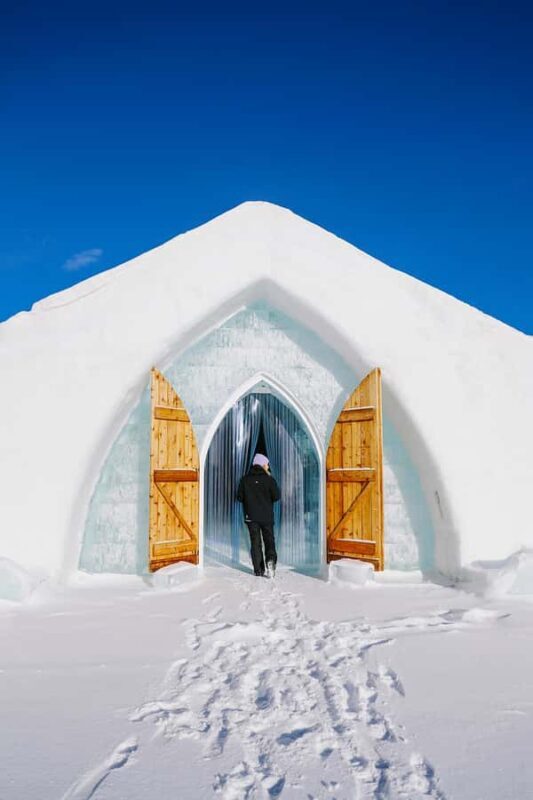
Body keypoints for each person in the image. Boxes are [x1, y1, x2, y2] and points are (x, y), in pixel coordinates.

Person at [236, 453, 280, 578]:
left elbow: (239, 497)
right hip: (267, 517)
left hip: (251, 517)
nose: (268, 466)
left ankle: (258, 570)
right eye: (266, 464)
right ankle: (270, 562)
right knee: (269, 540)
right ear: (262, 464)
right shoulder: (269, 479)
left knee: (255, 543)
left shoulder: (244, 480)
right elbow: (276, 497)